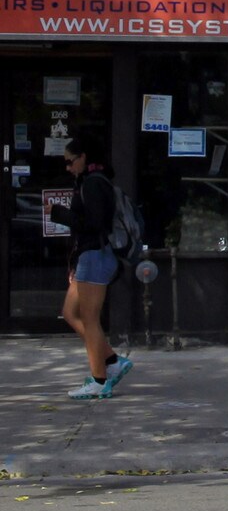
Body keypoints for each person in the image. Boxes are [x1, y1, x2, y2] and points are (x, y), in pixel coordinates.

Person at [49, 135, 133, 400]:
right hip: (89, 256)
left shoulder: (95, 184)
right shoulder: (89, 182)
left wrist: (58, 213)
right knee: (70, 312)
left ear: (84, 157)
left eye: (70, 161)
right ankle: (111, 361)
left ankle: (99, 380)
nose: (68, 167)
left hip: (96, 256)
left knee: (89, 318)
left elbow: (93, 224)